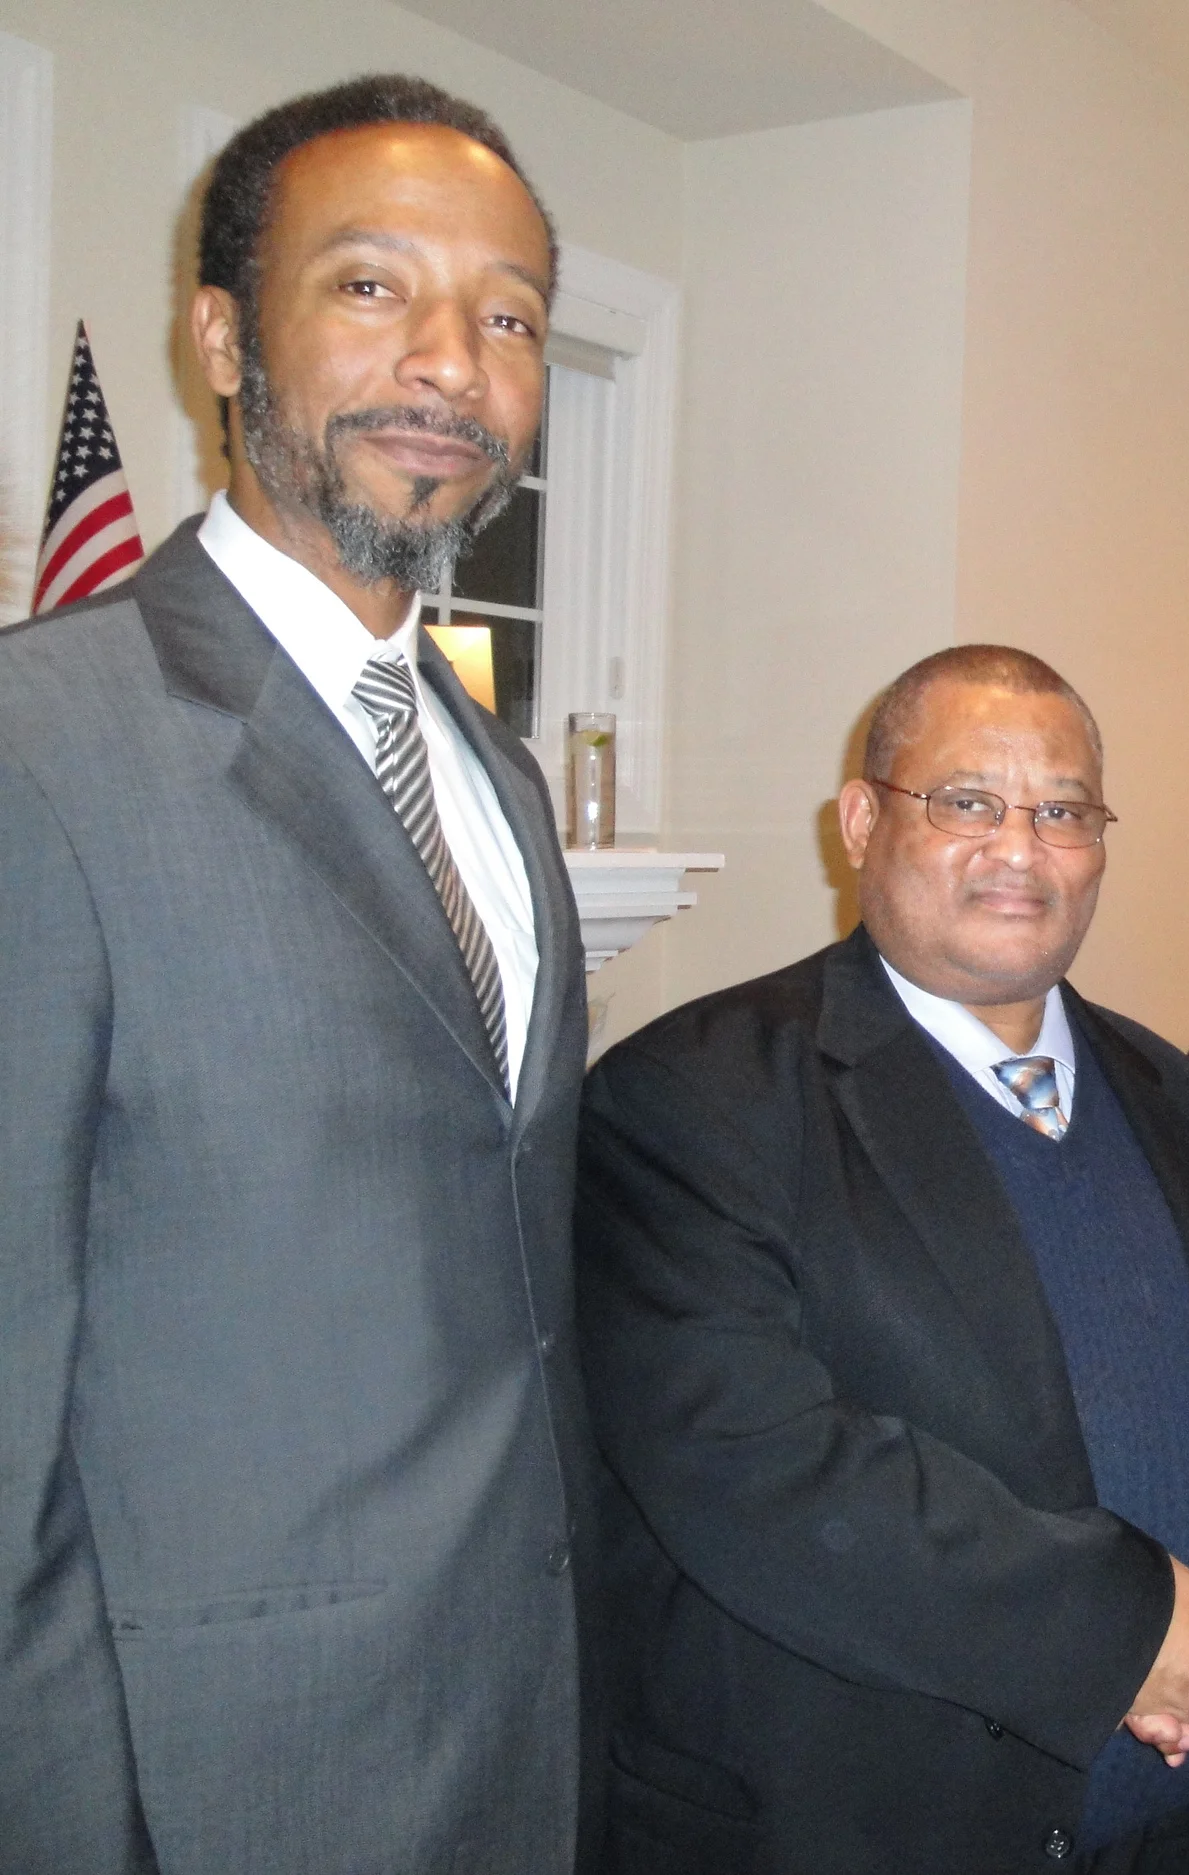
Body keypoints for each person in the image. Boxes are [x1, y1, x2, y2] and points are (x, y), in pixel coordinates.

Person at [0, 77, 586, 1872]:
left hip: (509, 1741)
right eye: (369, 288)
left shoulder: (493, 774)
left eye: (508, 317)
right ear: (219, 340)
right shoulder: (41, 743)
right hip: (209, 1788)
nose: (451, 362)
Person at [574, 645, 1189, 1874]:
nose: (1019, 848)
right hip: (869, 1827)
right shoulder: (692, 1098)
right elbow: (761, 1469)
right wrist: (1129, 1631)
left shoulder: (1180, 1098)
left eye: (1062, 810)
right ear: (861, 822)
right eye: (965, 802)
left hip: (1187, 1821)